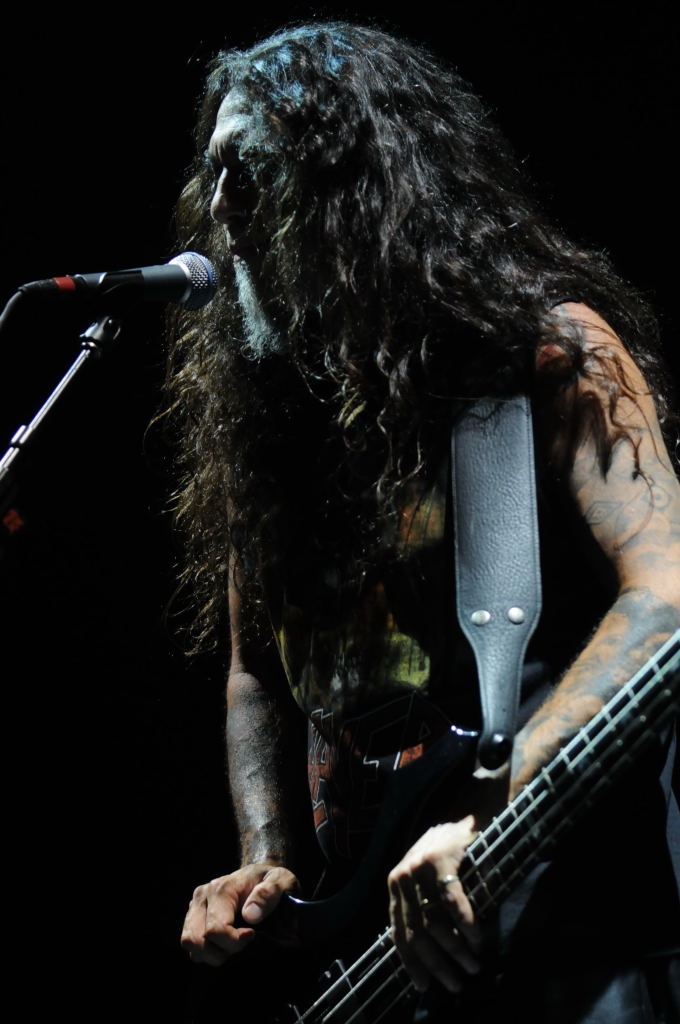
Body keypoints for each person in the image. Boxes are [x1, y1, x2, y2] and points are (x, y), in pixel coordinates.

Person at [172, 22, 680, 1022]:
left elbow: (665, 596)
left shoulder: (537, 357)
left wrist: (495, 806)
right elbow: (253, 671)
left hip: (572, 937)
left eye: (250, 170)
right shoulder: (271, 429)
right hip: (377, 965)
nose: (220, 208)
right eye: (213, 174)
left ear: (346, 181)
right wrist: (266, 854)